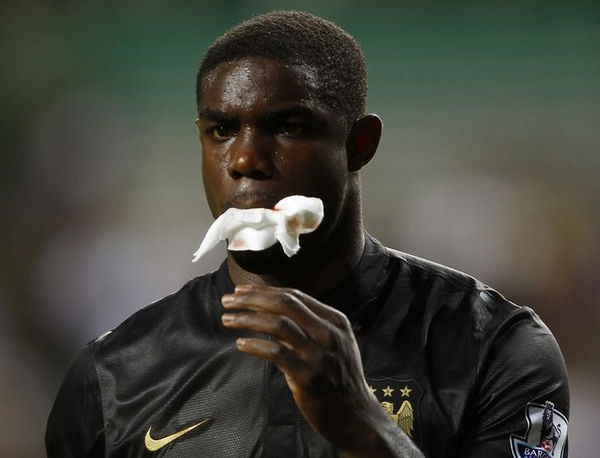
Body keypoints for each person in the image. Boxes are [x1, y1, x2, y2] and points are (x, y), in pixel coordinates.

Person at [46, 10, 569, 458]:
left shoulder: (494, 347)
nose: (246, 160)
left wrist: (367, 429)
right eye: (221, 131)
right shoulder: (115, 375)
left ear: (360, 145)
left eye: (290, 127)